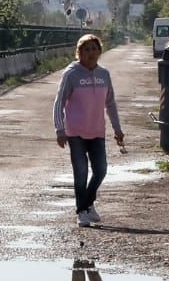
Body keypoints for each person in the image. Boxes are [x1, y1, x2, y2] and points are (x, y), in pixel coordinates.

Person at [53, 33, 125, 227]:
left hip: (97, 131)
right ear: (79, 53)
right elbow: (59, 103)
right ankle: (81, 211)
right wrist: (60, 130)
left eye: (94, 49)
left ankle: (88, 203)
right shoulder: (71, 74)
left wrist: (117, 129)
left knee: (101, 170)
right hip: (75, 131)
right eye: (86, 49)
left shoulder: (104, 75)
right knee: (81, 172)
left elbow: (110, 104)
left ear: (100, 51)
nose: (90, 53)